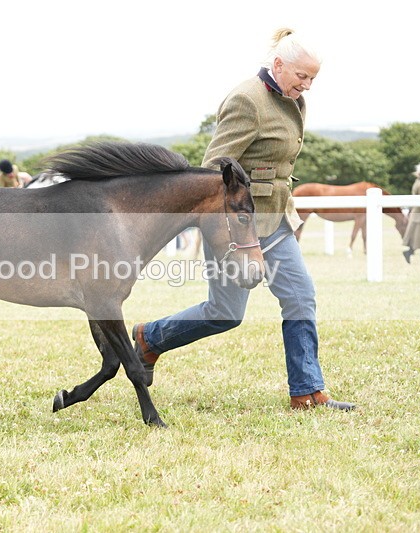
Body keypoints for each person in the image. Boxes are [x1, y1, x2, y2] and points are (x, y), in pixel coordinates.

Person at [132, 28, 354, 411]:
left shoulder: (293, 100)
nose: (308, 85)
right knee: (225, 314)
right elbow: (213, 168)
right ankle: (150, 338)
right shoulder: (246, 100)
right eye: (302, 76)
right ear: (279, 64)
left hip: (277, 222)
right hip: (237, 227)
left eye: (313, 78)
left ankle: (307, 391)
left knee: (301, 298)